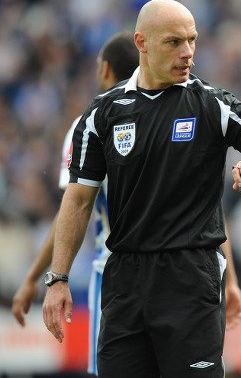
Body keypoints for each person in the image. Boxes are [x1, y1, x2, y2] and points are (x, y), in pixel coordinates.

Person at [43, 0, 241, 378]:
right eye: (174, 42)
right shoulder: (102, 114)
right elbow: (79, 200)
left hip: (190, 276)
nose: (188, 54)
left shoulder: (213, 106)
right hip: (125, 282)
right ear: (142, 42)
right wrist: (58, 279)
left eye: (192, 40)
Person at [12, 32, 140, 376]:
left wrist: (35, 277)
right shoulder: (176, 114)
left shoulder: (90, 122)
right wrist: (229, 282)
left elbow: (74, 208)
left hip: (115, 272)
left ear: (105, 70)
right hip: (178, 269)